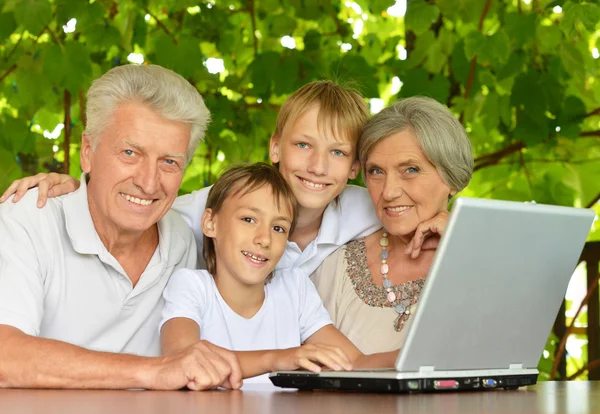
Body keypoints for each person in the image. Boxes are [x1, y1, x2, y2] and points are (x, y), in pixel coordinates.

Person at [1, 81, 439, 279]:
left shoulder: (365, 209)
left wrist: (448, 223)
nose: (318, 166)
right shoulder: (227, 203)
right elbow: (147, 199)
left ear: (355, 169)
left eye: (338, 153)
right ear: (274, 149)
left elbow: (413, 209)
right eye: (303, 145)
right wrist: (80, 185)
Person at [0, 64, 242, 390]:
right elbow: (5, 357)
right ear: (88, 152)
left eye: (169, 161)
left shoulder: (185, 240)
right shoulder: (29, 218)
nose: (148, 182)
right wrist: (152, 371)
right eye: (130, 153)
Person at [160, 163, 397, 380]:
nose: (264, 239)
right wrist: (279, 359)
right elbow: (183, 361)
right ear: (210, 223)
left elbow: (353, 362)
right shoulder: (191, 286)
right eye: (249, 219)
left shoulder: (295, 288)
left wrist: (410, 357)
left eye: (278, 227)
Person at [311, 96, 474, 354]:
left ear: (451, 177)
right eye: (376, 171)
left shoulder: (484, 260)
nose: (388, 192)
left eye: (410, 170)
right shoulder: (335, 267)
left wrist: (463, 245)